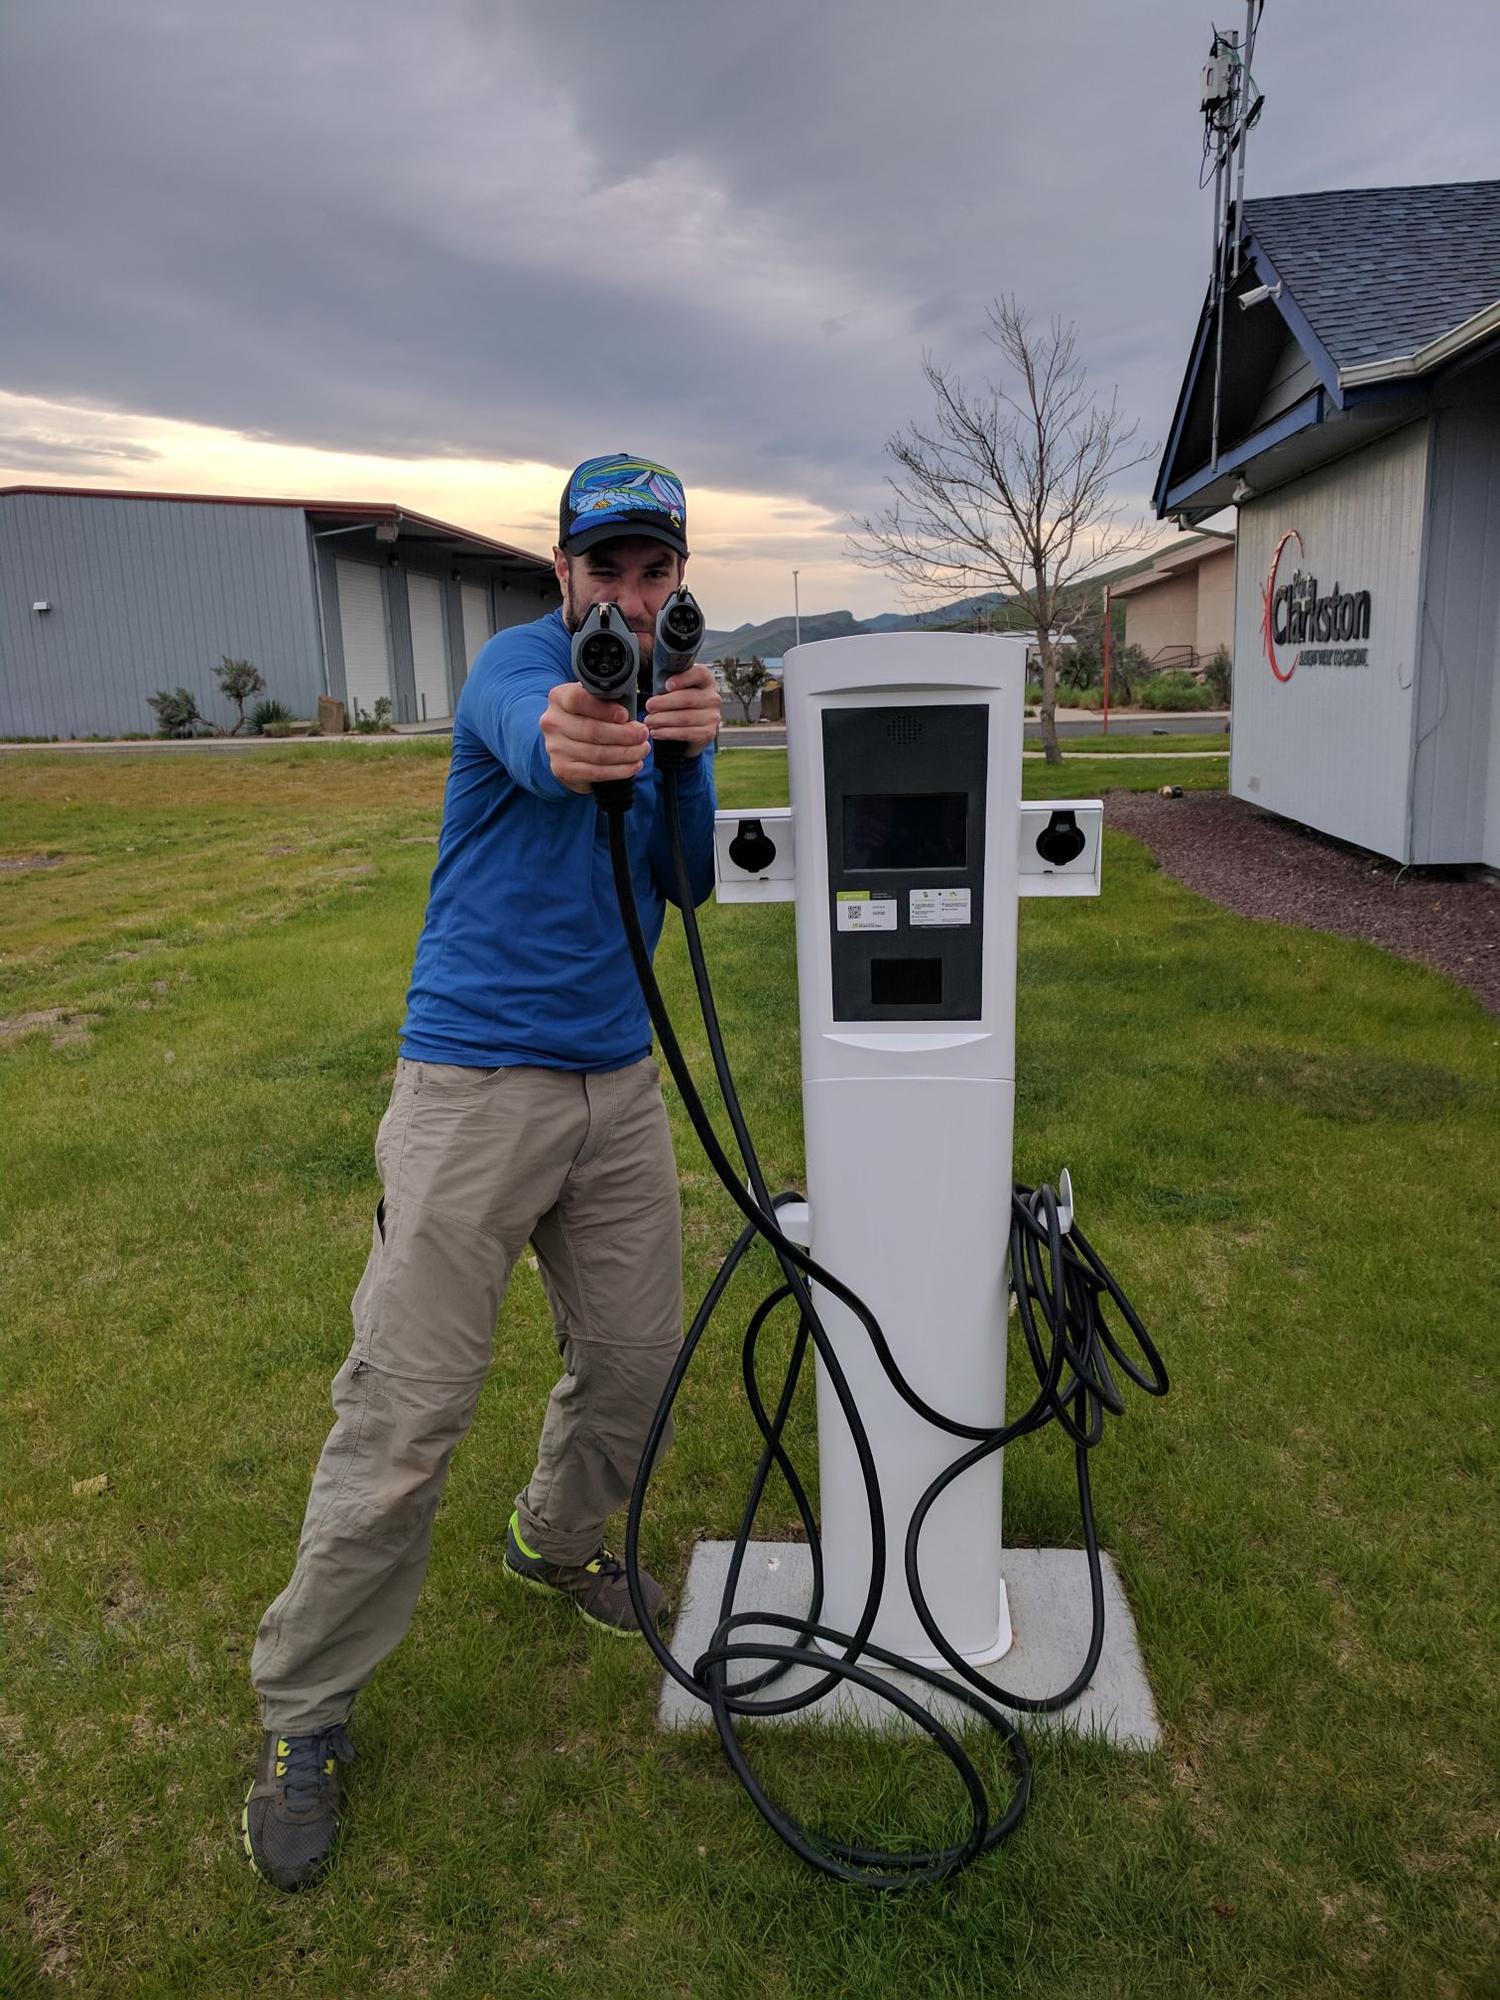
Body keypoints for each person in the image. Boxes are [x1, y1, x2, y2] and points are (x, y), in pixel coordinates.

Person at [242, 453, 722, 1891]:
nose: (630, 602)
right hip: (472, 1085)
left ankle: (558, 1541)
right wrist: (593, 728)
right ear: (563, 573)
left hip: (617, 1084)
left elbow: (689, 882)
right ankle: (304, 1708)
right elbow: (537, 734)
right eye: (608, 572)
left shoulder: (678, 683)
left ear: (679, 578)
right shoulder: (522, 667)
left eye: (655, 575)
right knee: (408, 1407)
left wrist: (693, 756)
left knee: (637, 1358)